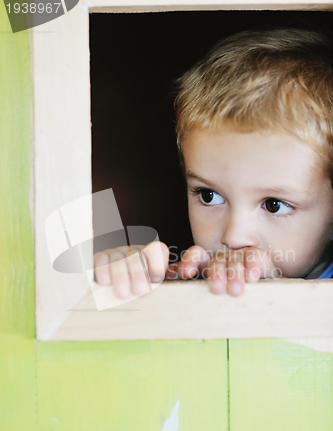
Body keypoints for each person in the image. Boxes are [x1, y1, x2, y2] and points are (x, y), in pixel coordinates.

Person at [94, 25, 333, 298]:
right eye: (209, 195)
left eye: (273, 205)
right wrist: (125, 281)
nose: (234, 236)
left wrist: (275, 292)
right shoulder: (190, 271)